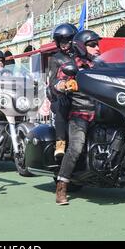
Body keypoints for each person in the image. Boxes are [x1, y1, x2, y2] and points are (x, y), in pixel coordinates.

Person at [55, 30, 102, 205]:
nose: (97, 48)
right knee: (76, 146)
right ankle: (62, 186)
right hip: (80, 112)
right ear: (82, 46)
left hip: (102, 112)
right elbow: (57, 83)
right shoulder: (72, 65)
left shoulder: (101, 65)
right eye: (93, 45)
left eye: (98, 44)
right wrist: (65, 84)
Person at [47, 23, 79, 159]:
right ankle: (60, 144)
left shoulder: (81, 56)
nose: (64, 44)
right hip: (61, 95)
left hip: (82, 94)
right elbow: (53, 80)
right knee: (62, 106)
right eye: (61, 41)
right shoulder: (55, 59)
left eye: (66, 40)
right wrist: (61, 86)